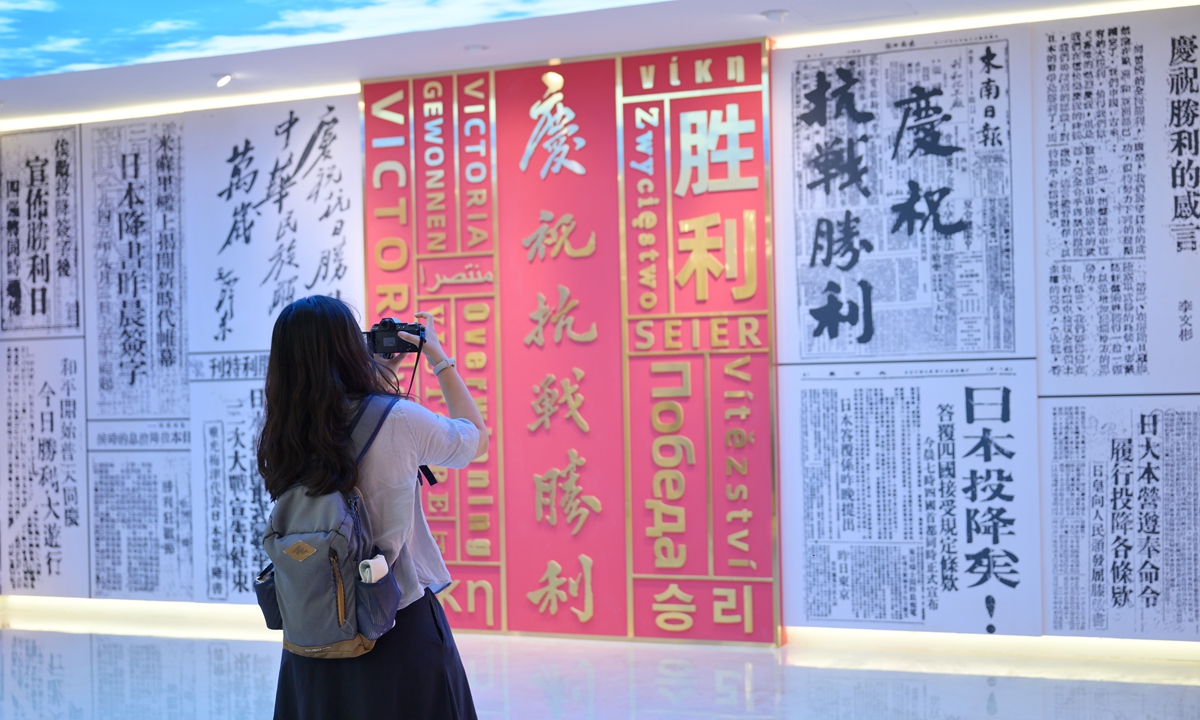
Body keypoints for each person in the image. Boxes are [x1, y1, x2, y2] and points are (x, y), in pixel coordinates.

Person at [258, 295, 486, 720]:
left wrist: (376, 383)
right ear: (349, 347)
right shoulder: (398, 418)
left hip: (313, 631)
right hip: (396, 625)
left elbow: (345, 429)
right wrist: (437, 357)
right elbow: (473, 437)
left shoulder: (283, 432)